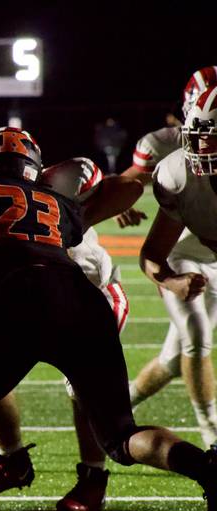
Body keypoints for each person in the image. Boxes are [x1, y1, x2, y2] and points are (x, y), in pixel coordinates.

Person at [0, 126, 217, 511]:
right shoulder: (55, 200)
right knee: (121, 436)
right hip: (85, 304)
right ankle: (207, 467)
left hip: (24, 304)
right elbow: (113, 196)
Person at [0, 158, 130, 511]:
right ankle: (13, 459)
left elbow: (129, 187)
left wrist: (81, 218)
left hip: (91, 296)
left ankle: (94, 476)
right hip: (32, 303)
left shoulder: (60, 180)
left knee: (82, 389)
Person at [118, 68, 217, 452]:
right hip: (186, 258)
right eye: (199, 136)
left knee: (176, 360)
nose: (201, 148)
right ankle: (213, 438)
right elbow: (153, 254)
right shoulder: (178, 170)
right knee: (197, 339)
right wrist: (173, 281)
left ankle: (114, 408)